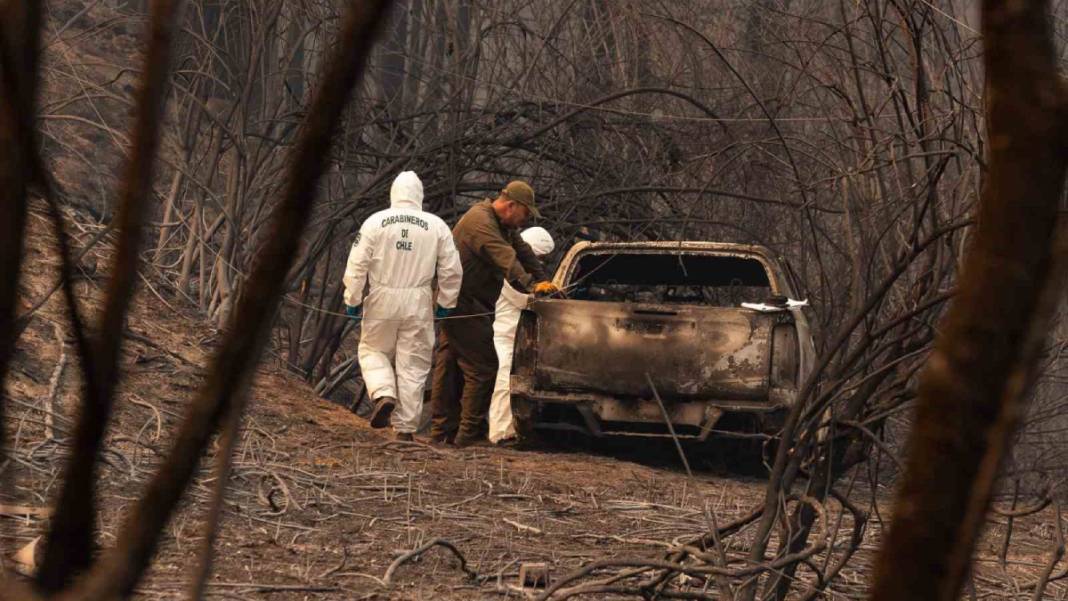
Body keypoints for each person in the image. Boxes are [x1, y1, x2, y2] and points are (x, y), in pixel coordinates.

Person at [429, 181, 559, 447]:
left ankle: (442, 431)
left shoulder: (503, 224)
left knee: (450, 361)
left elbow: (522, 250)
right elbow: (506, 258)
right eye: (526, 213)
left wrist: (546, 281)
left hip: (467, 302)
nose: (525, 221)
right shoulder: (481, 222)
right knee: (484, 366)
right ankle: (468, 434)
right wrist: (532, 286)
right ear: (512, 205)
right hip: (461, 303)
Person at [343, 171, 463, 441]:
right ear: (419, 195)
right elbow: (452, 269)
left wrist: (352, 297)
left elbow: (357, 262)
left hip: (381, 297)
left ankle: (384, 393)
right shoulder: (437, 226)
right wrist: (446, 301)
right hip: (418, 300)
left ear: (393, 193)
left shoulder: (375, 222)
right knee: (414, 362)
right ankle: (405, 430)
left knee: (373, 349)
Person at [488, 227, 555, 446]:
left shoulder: (525, 272)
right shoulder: (511, 272)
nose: (542, 262)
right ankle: (499, 433)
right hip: (505, 336)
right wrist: (546, 295)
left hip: (519, 339)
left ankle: (512, 431)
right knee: (504, 382)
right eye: (540, 257)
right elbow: (524, 299)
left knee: (515, 385)